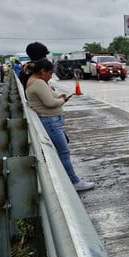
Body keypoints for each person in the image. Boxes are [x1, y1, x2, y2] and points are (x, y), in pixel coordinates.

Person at [26, 59, 94, 192]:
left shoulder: (35, 81)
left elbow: (50, 98)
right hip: (50, 122)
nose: (51, 76)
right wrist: (62, 100)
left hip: (50, 121)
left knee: (62, 151)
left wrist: (59, 97)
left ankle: (69, 179)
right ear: (42, 71)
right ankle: (74, 182)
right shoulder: (39, 83)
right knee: (64, 152)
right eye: (50, 73)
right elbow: (50, 103)